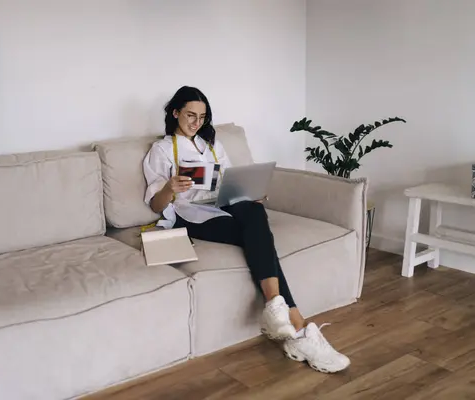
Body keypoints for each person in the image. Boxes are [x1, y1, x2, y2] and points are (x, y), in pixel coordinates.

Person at [142, 86, 350, 374]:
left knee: (254, 211)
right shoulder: (162, 150)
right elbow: (155, 205)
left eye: (202, 117)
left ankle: (279, 311)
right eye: (190, 115)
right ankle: (296, 323)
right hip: (188, 215)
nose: (196, 122)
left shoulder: (213, 145)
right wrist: (169, 188)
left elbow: (229, 182)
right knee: (257, 235)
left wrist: (245, 193)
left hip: (220, 205)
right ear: (175, 113)